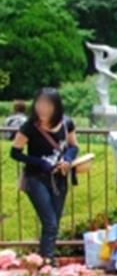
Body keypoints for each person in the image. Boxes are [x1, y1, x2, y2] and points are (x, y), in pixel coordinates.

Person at [10, 88, 78, 263]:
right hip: (36, 178)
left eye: (47, 104)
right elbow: (15, 152)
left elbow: (73, 146)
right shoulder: (30, 127)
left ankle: (45, 257)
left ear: (55, 106)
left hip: (59, 177)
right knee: (50, 221)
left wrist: (68, 159)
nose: (42, 108)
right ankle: (47, 259)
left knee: (54, 220)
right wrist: (39, 162)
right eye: (39, 104)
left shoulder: (66, 123)